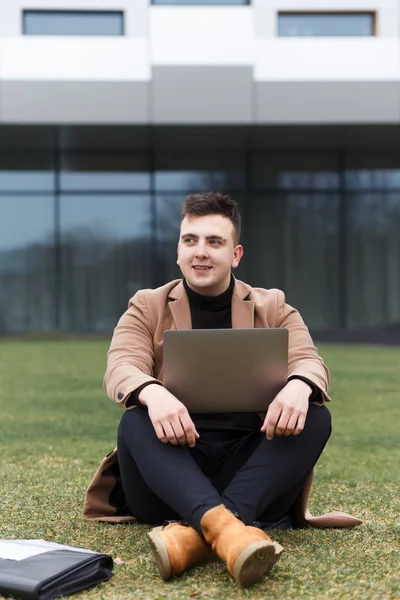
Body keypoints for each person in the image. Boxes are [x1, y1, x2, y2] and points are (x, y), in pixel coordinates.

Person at [83, 192, 362, 589]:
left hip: (249, 471)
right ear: (178, 250)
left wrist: (299, 385)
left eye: (214, 242)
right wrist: (153, 392)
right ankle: (231, 531)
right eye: (190, 240)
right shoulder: (146, 306)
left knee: (315, 414)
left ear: (236, 254)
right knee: (135, 422)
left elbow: (309, 361)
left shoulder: (274, 306)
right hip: (169, 476)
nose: (201, 252)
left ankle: (199, 535)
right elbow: (121, 367)